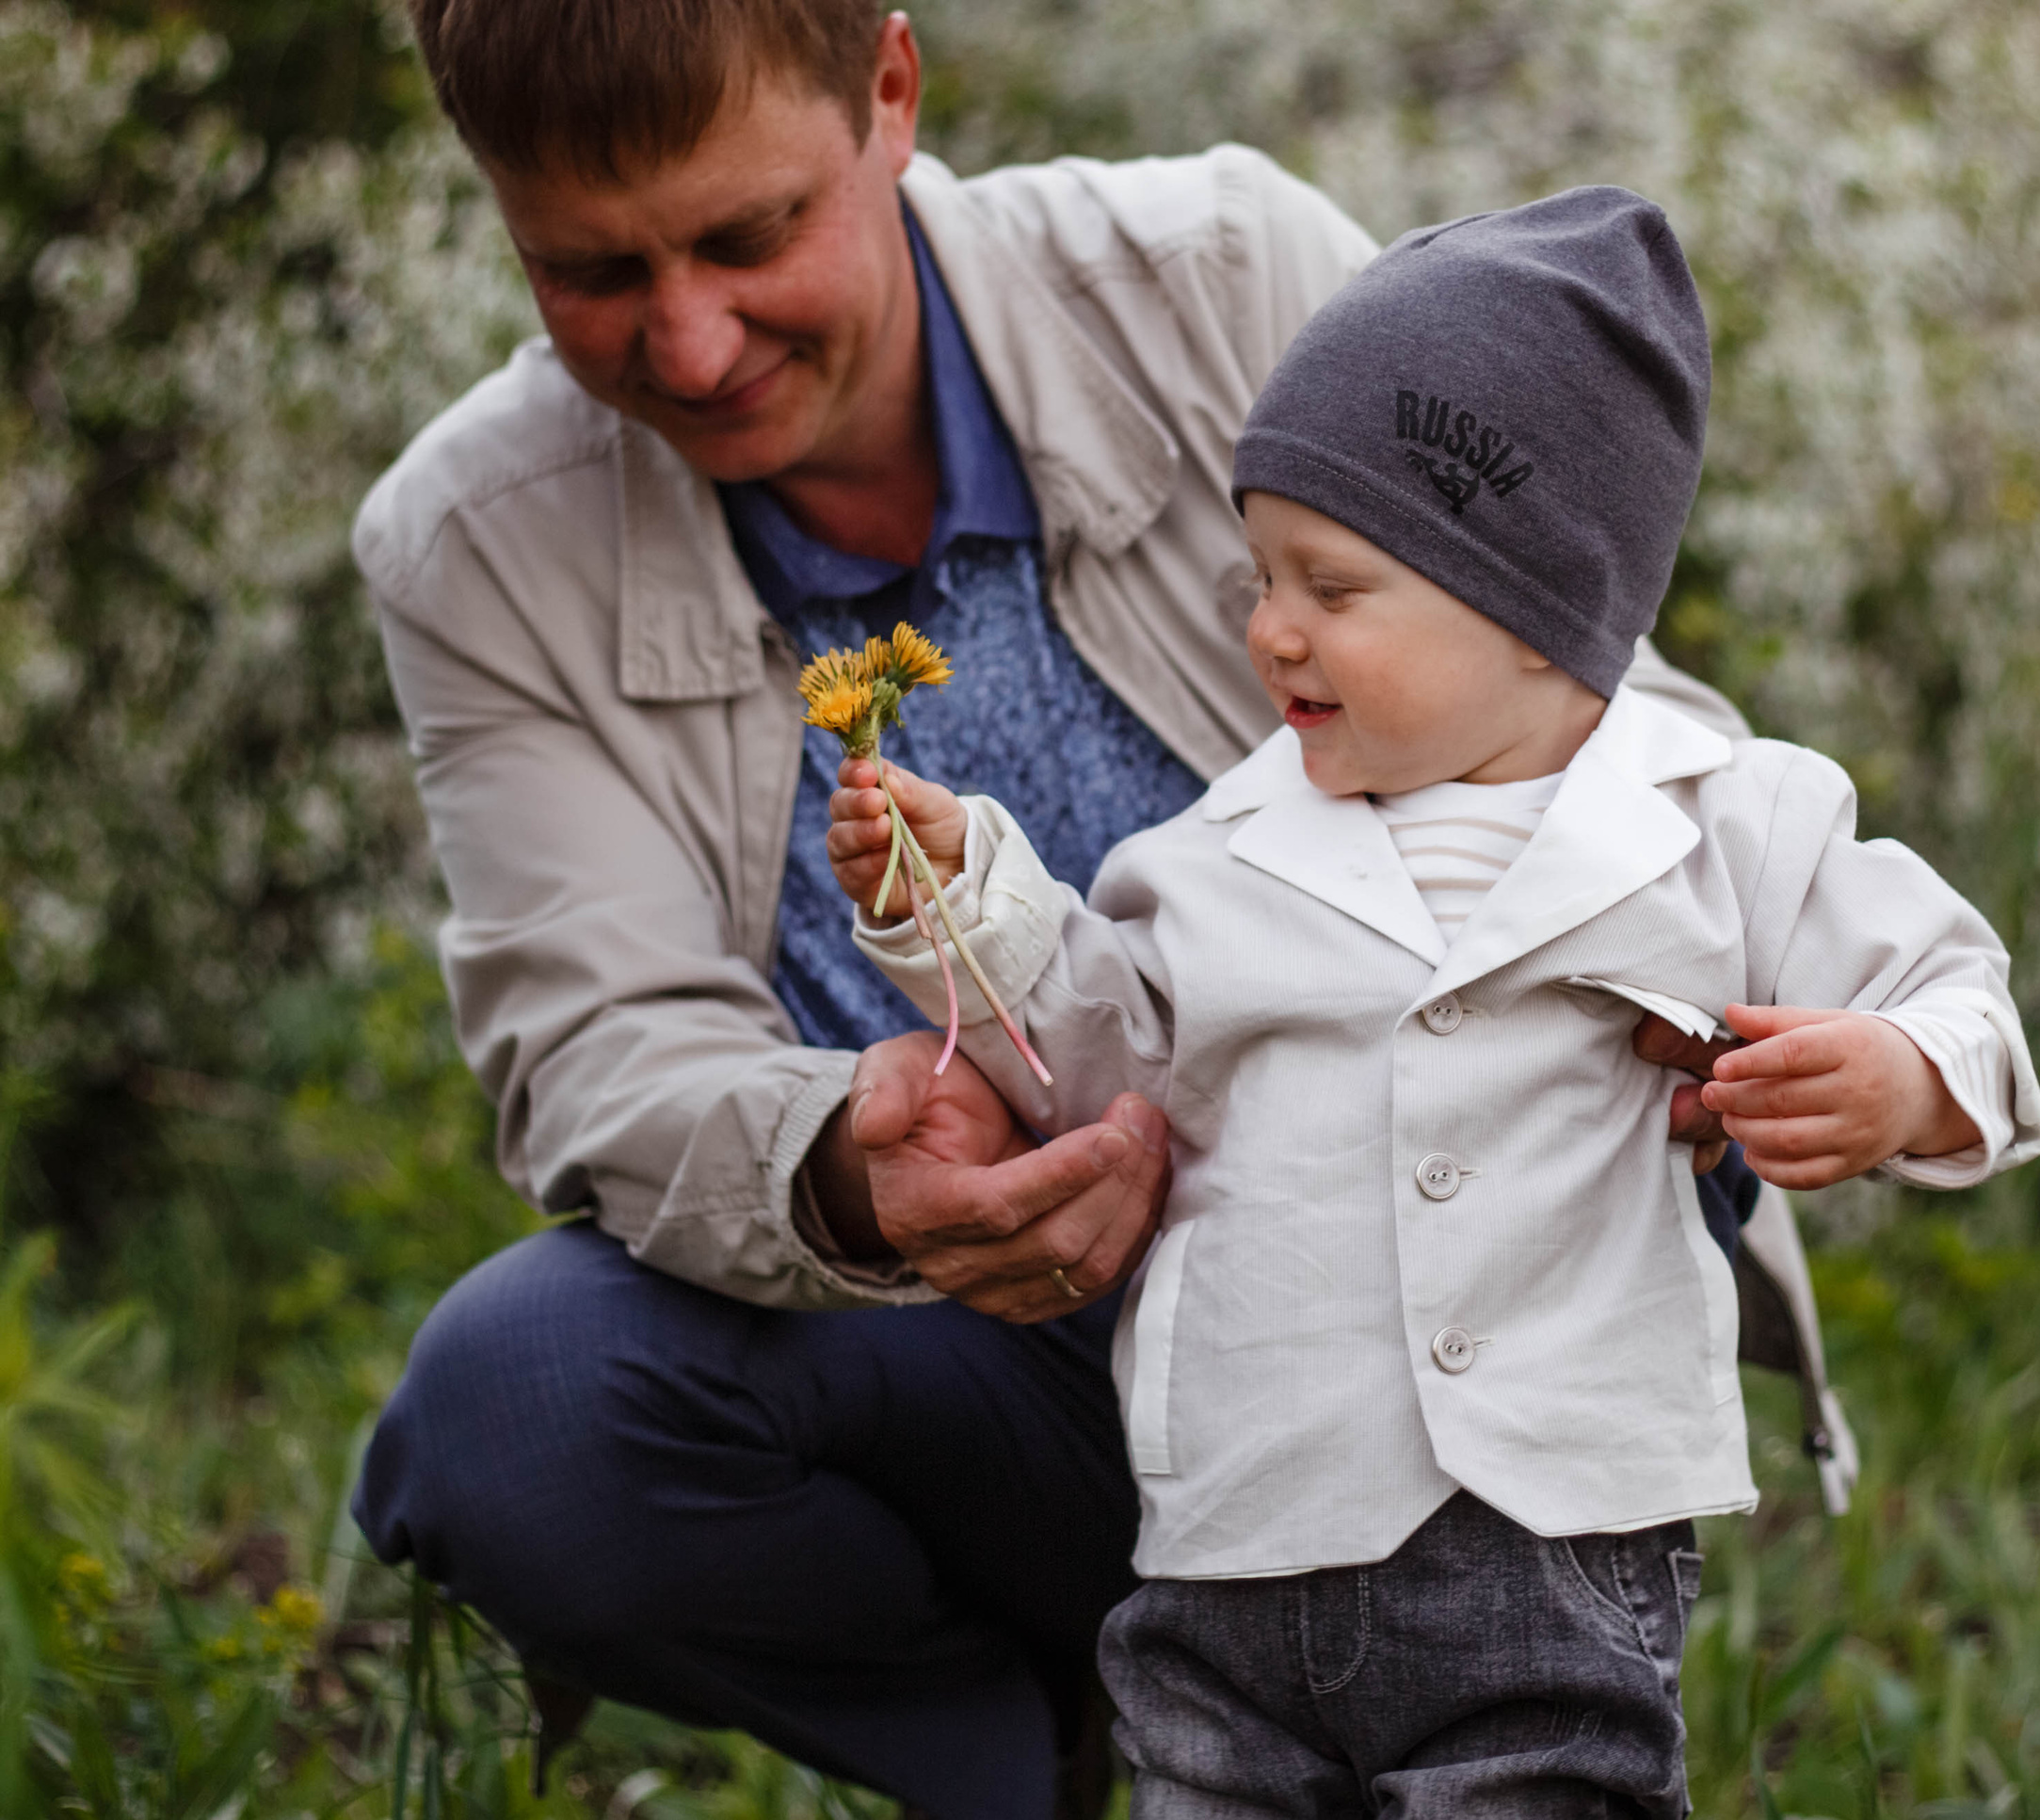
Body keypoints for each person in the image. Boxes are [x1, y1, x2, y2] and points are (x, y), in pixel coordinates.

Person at [347, 1, 1829, 1812]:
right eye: (588, 271)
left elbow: (1617, 708)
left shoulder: (1220, 276)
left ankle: (1501, 1683)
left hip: (1424, 1327)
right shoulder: (475, 544)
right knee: (517, 1407)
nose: (693, 338)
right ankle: (1034, 1756)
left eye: (747, 238)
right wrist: (846, 1164)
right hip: (982, 1375)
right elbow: (598, 1045)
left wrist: (1710, 992)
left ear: (890, 93)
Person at [828, 188, 2040, 1815]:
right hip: (1236, 1545)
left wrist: (1902, 1075)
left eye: (1332, 587)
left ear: (1539, 601)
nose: (1271, 630)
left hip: (1549, 1545)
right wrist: (964, 896)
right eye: (1261, 574)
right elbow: (1098, 1063)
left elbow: (1958, 987)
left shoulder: (1721, 817)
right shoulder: (1215, 849)